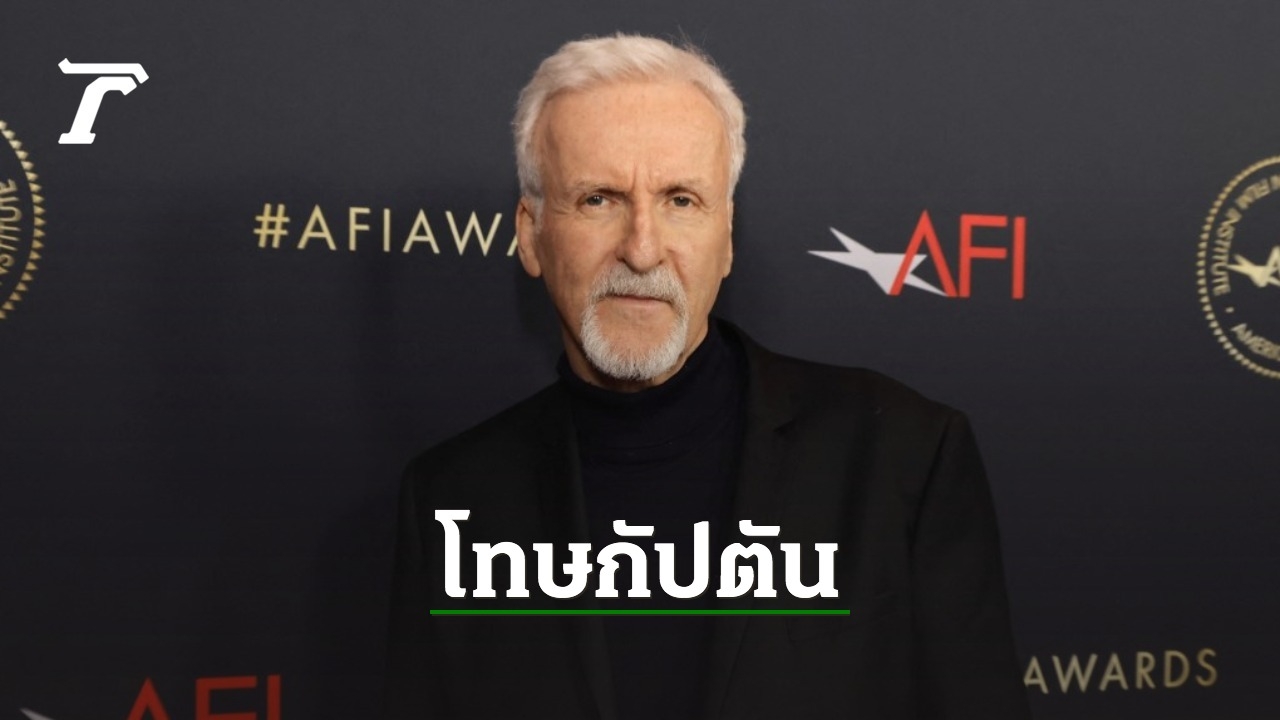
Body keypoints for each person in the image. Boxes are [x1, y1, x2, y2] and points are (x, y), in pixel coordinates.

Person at [384, 33, 1031, 720]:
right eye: (599, 199)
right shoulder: (451, 500)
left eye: (681, 201)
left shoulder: (905, 458)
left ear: (727, 238)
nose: (642, 249)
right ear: (531, 232)